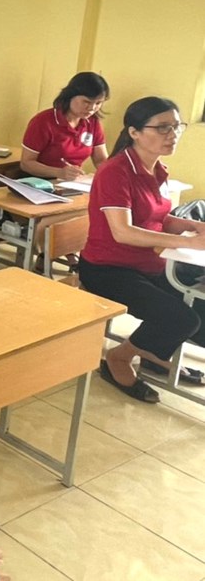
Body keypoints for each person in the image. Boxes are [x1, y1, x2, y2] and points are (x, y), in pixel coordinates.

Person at [77, 97, 205, 403]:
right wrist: (187, 242)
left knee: (199, 313)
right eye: (162, 127)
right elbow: (122, 231)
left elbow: (158, 217)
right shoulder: (115, 171)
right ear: (134, 132)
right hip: (107, 269)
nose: (173, 134)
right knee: (180, 319)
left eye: (177, 126)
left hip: (148, 264)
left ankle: (154, 355)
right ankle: (119, 357)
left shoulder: (157, 169)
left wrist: (194, 227)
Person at [20, 71, 110, 180]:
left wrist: (112, 176)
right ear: (70, 96)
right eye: (86, 102)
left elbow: (100, 160)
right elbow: (26, 163)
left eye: (98, 103)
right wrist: (59, 172)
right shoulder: (43, 121)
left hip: (72, 183)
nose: (92, 108)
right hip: (40, 182)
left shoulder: (93, 122)